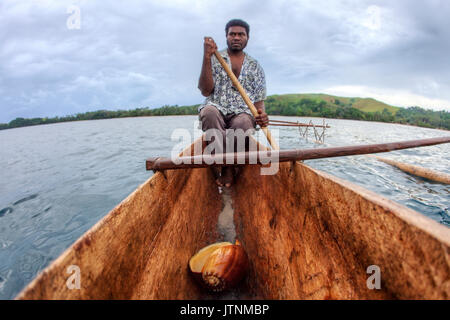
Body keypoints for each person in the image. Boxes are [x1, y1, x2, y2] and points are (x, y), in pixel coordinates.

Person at [198, 19, 269, 188]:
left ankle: (227, 167)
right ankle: (225, 165)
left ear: (247, 38)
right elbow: (205, 91)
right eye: (232, 34)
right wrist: (206, 57)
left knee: (243, 122)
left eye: (240, 34)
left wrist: (262, 117)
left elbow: (259, 103)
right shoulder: (215, 59)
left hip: (242, 112)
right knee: (209, 112)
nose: (236, 37)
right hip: (217, 107)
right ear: (226, 36)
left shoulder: (255, 67)